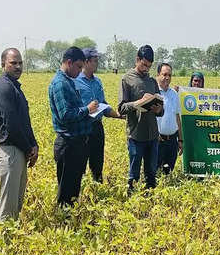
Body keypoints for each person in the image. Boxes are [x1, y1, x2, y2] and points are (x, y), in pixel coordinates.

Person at [0, 48, 38, 221]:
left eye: (20, 62)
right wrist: (28, 148)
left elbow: (24, 122)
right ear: (3, 64)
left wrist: (34, 145)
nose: (18, 66)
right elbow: (11, 125)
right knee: (8, 207)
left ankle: (12, 242)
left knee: (16, 202)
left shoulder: (14, 86)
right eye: (13, 63)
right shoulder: (3, 87)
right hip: (10, 150)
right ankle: (4, 244)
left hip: (19, 149)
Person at [48, 47, 98, 207]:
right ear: (68, 62)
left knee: (73, 189)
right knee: (66, 193)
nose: (80, 71)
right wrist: (87, 109)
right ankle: (64, 224)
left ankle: (71, 220)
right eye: (78, 67)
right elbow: (65, 115)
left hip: (76, 144)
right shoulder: (60, 84)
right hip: (68, 145)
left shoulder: (68, 81)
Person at [118, 45, 163, 194]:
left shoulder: (152, 81)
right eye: (144, 65)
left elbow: (160, 110)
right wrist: (138, 103)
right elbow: (121, 108)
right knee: (134, 175)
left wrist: (159, 109)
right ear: (137, 59)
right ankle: (132, 201)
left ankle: (150, 204)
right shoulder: (127, 79)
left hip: (152, 135)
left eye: (149, 66)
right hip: (136, 135)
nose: (146, 69)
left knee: (151, 174)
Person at [75, 48, 121, 183]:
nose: (97, 64)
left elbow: (103, 105)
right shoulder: (75, 81)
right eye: (95, 61)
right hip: (82, 128)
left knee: (97, 162)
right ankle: (79, 193)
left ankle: (97, 187)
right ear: (86, 62)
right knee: (80, 163)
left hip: (97, 128)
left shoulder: (98, 82)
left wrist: (118, 115)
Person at [155, 62, 182, 176]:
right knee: (155, 172)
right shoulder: (153, 93)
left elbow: (177, 117)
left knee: (168, 171)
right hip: (158, 140)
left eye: (169, 75)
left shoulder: (174, 94)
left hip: (172, 141)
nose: (167, 78)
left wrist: (180, 140)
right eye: (164, 74)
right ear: (158, 75)